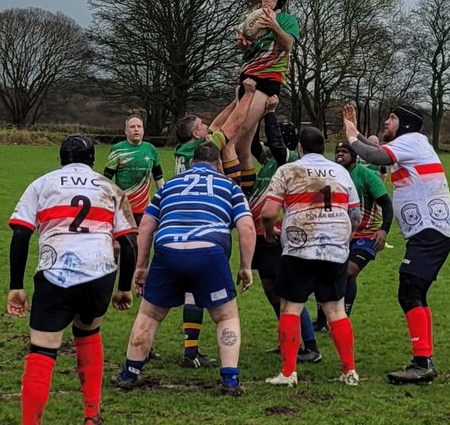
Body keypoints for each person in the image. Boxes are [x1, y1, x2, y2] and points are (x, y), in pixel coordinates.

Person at [4, 135, 137, 425]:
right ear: (93, 159)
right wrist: (123, 287)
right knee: (88, 331)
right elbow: (129, 242)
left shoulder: (42, 184)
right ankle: (92, 416)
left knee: (42, 351)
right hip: (99, 275)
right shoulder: (109, 188)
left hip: (55, 274)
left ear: (61, 157)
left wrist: (16, 285)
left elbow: (21, 234)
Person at [114, 142, 256, 392]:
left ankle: (129, 373)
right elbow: (247, 227)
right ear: (219, 164)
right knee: (226, 316)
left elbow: (146, 226)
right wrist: (245, 266)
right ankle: (230, 379)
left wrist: (141, 267)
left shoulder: (170, 185)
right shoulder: (230, 187)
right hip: (209, 251)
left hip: (168, 250)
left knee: (149, 314)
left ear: (192, 163)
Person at [343, 104, 450, 384]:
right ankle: (423, 359)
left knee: (409, 289)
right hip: (428, 230)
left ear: (405, 124)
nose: (386, 121)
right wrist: (359, 137)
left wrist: (351, 135)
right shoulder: (409, 145)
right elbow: (376, 157)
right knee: (414, 290)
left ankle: (422, 362)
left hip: (431, 228)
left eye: (392, 118)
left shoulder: (412, 141)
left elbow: (374, 153)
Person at [261, 126, 362, 386]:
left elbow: (269, 212)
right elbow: (355, 214)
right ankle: (349, 371)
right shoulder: (341, 171)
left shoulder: (288, 170)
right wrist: (342, 236)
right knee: (335, 309)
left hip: (300, 246)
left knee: (290, 307)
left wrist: (270, 230)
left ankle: (288, 372)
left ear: (299, 148)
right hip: (335, 246)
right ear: (324, 148)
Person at [246, 109, 322, 363]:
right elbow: (255, 144)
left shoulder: (288, 160)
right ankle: (289, 338)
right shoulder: (269, 159)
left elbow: (275, 143)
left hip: (275, 234)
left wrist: (268, 111)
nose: (268, 144)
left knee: (288, 293)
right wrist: (254, 116)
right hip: (258, 234)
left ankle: (310, 346)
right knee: (271, 291)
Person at [211, 0, 300, 192]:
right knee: (243, 148)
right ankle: (247, 197)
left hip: (266, 82)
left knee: (229, 140)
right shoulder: (253, 18)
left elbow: (288, 44)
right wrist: (242, 43)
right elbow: (245, 47)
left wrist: (274, 26)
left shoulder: (287, 20)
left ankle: (230, 194)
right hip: (246, 79)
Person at [315, 140, 394, 329]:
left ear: (354, 155)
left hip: (366, 235)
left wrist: (384, 229)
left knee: (348, 271)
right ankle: (322, 321)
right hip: (339, 234)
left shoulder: (367, 176)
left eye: (344, 151)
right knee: (327, 273)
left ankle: (340, 318)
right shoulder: (331, 175)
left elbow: (387, 204)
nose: (340, 154)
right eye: (337, 151)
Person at [171, 114, 212, 366]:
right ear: (196, 134)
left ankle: (144, 348)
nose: (208, 126)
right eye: (202, 124)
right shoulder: (198, 150)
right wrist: (245, 96)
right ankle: (190, 352)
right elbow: (230, 126)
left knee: (166, 298)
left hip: (174, 225)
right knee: (199, 293)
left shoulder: (181, 149)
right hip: (196, 223)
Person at [102, 116, 164, 224]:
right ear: (126, 131)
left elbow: (159, 178)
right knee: (123, 240)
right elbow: (106, 180)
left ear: (143, 130)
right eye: (132, 127)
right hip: (123, 208)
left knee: (142, 240)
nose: (136, 129)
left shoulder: (151, 150)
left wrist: (164, 200)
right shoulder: (117, 149)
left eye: (139, 126)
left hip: (144, 209)